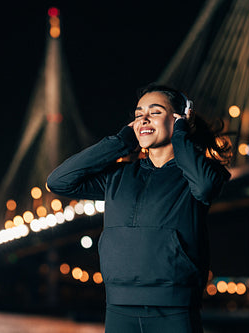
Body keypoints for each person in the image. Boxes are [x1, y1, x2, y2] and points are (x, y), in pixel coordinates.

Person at [47, 84, 232, 333]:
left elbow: (206, 187)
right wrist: (121, 142)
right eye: (137, 115)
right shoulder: (118, 176)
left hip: (174, 310)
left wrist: (181, 136)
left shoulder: (197, 175)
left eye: (155, 112)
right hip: (118, 308)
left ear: (180, 120)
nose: (143, 119)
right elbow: (58, 181)